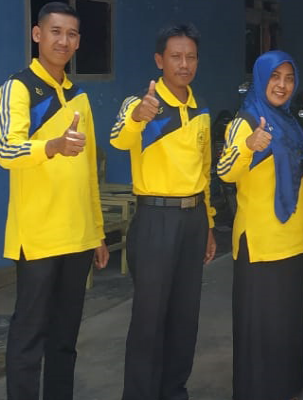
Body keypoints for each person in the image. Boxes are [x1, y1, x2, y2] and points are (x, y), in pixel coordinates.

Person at [0, 3, 108, 398]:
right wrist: (52, 146)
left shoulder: (79, 96)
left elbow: (89, 171)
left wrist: (97, 232)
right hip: (38, 237)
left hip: (78, 237)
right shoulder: (19, 87)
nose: (64, 41)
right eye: (56, 31)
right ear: (37, 35)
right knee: (29, 338)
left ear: (78, 42)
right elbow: (6, 150)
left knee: (65, 339)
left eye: (71, 34)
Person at [110, 23, 216, 400]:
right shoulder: (140, 104)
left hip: (193, 219)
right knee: (149, 319)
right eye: (175, 57)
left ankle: (174, 391)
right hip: (156, 219)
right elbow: (118, 139)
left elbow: (204, 171)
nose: (184, 64)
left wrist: (208, 224)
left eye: (191, 57)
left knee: (185, 316)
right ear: (159, 60)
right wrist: (139, 115)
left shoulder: (200, 109)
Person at [216, 50, 303, 400]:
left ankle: (284, 387)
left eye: (288, 78)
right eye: (274, 77)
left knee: (285, 321)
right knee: (259, 326)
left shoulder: (289, 122)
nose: (282, 85)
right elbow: (225, 172)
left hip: (291, 236)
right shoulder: (246, 121)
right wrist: (248, 146)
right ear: (260, 79)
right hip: (259, 240)